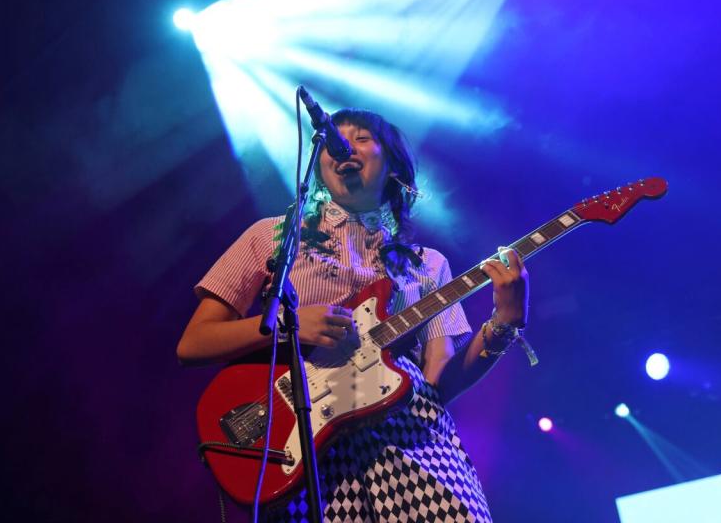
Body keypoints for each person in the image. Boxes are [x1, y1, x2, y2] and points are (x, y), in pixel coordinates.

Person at [177, 108, 529, 522]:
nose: (342, 146)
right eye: (333, 141)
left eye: (361, 138)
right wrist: (288, 329)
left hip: (414, 443)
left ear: (392, 163)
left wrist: (505, 320)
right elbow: (194, 342)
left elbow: (439, 383)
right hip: (311, 453)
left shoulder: (426, 264)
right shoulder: (269, 236)